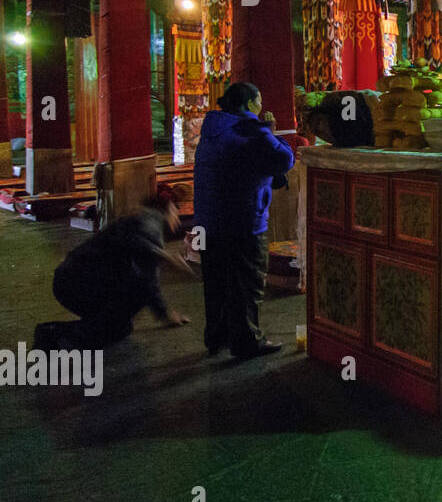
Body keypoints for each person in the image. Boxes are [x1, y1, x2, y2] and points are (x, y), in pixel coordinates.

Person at [193, 82, 294, 360]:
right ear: (250, 103)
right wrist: (271, 132)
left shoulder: (214, 128)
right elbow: (284, 159)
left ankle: (217, 336)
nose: (261, 105)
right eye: (259, 99)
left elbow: (241, 164)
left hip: (208, 221)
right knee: (246, 283)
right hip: (242, 220)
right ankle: (247, 341)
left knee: (216, 282)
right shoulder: (249, 129)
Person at [34, 194, 191, 351]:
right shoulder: (150, 225)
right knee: (125, 314)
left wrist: (160, 254)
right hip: (80, 287)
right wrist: (165, 314)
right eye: (175, 212)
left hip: (69, 282)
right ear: (167, 210)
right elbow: (147, 279)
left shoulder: (135, 221)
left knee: (122, 327)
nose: (177, 218)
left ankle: (81, 328)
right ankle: (55, 333)